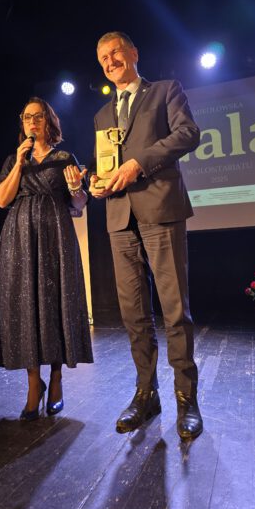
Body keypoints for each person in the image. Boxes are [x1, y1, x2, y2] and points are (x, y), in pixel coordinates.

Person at [89, 32, 203, 439]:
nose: (109, 61)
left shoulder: (165, 91)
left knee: (174, 311)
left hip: (160, 209)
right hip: (120, 218)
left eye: (115, 52)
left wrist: (139, 163)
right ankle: (146, 394)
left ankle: (186, 399)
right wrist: (97, 182)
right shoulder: (102, 114)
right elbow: (106, 163)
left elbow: (188, 134)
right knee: (134, 315)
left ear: (134, 53)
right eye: (103, 58)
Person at [0, 97, 93, 420]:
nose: (32, 122)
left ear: (49, 122)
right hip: (19, 240)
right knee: (26, 307)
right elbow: (1, 200)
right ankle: (34, 383)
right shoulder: (14, 159)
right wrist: (19, 165)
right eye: (27, 118)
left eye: (38, 117)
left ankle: (57, 377)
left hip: (55, 238)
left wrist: (76, 189)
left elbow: (78, 204)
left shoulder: (64, 159)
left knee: (55, 303)